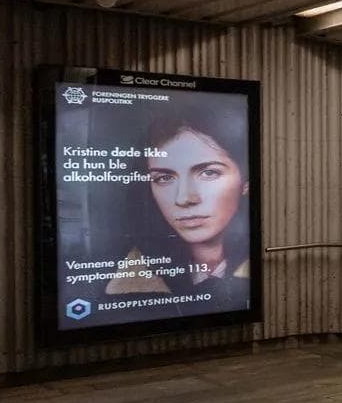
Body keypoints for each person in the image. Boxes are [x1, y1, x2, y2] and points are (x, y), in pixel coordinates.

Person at [102, 103, 252, 314]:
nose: (184, 198)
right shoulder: (126, 282)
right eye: (164, 178)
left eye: (208, 173)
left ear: (246, 181)